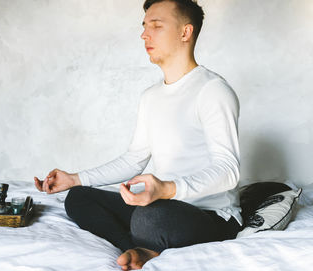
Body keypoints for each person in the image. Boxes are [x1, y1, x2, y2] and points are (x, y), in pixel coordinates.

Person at [34, 0, 243, 270]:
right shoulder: (151, 96)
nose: (144, 34)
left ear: (185, 32)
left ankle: (143, 241)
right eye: (144, 27)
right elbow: (134, 159)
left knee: (149, 217)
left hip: (211, 216)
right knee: (79, 197)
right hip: (165, 206)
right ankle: (135, 248)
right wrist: (74, 179)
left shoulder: (213, 90)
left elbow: (229, 171)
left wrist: (166, 189)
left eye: (156, 26)